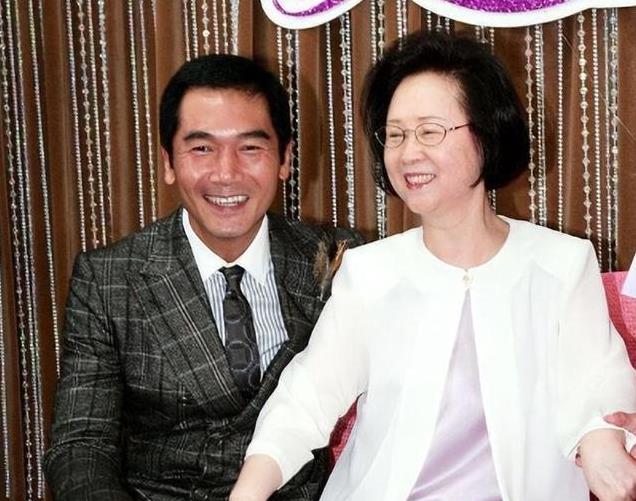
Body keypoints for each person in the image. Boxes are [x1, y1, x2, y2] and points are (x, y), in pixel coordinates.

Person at [230, 30, 636, 501]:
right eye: (395, 135)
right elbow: (304, 401)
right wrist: (248, 492)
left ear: (485, 134)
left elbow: (598, 384)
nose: (408, 153)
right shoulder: (370, 274)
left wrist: (602, 438)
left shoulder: (561, 265)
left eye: (429, 131)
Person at [44, 54, 362, 500]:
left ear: (285, 158)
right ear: (168, 162)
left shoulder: (341, 258)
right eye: (202, 149)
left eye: (250, 148)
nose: (226, 173)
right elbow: (82, 445)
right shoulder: (109, 279)